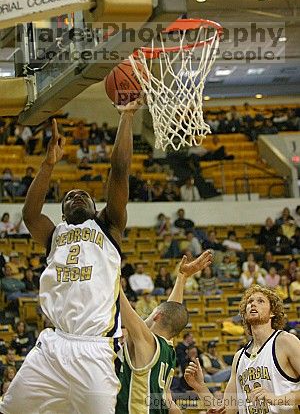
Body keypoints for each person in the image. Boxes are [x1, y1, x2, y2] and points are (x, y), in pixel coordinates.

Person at [0, 98, 143, 414]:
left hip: (94, 349)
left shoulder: (109, 226)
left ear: (95, 209)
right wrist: (48, 164)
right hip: (52, 346)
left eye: (84, 196)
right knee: (10, 409)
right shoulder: (54, 235)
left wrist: (127, 116)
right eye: (69, 197)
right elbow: (29, 213)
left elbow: (120, 170)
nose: (76, 196)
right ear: (63, 212)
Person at [116, 250, 213, 414]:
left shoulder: (146, 341)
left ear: (157, 316)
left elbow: (121, 302)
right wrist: (181, 278)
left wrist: (110, 269)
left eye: (152, 312)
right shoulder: (169, 351)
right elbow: (172, 310)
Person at [185, 285, 300, 413]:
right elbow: (227, 411)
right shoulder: (239, 357)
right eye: (250, 302)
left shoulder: (285, 341)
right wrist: (200, 387)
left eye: (260, 301)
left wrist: (276, 399)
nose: (253, 304)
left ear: (272, 312)